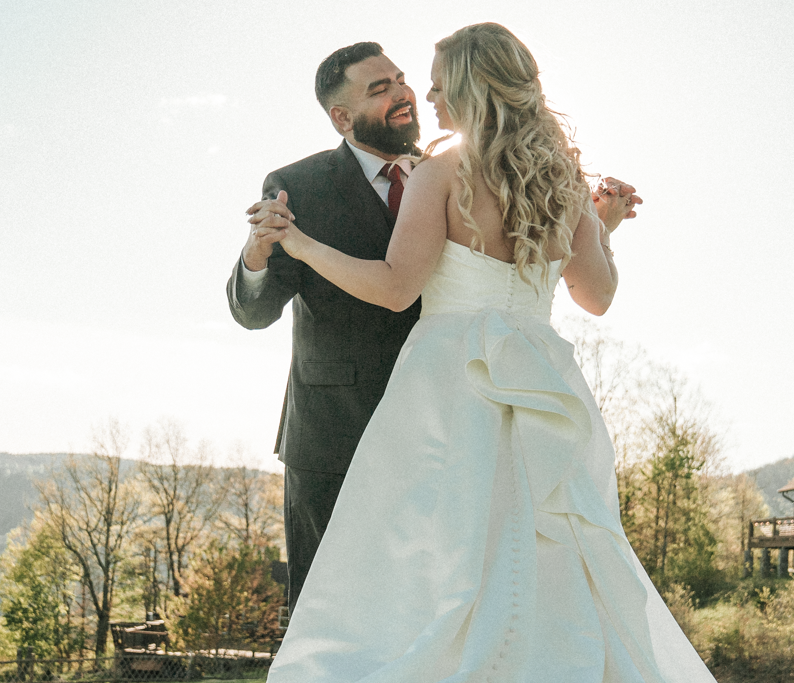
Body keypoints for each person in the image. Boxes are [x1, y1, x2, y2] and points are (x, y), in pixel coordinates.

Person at [114, 23, 794, 683]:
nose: (426, 93)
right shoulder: (562, 175)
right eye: (397, 84)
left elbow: (394, 286)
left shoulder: (443, 168)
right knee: (545, 560)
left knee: (440, 570)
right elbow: (597, 295)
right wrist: (602, 224)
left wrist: (301, 241)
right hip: (541, 387)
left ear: (472, 87)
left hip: (451, 385)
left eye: (434, 78)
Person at [228, 41, 640, 607]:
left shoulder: (452, 172)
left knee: (448, 600)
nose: (408, 94)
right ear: (341, 117)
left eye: (404, 79)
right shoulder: (299, 185)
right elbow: (254, 311)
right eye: (382, 88)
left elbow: (401, 285)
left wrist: (595, 227)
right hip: (339, 431)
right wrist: (261, 250)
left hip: (461, 419)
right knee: (332, 608)